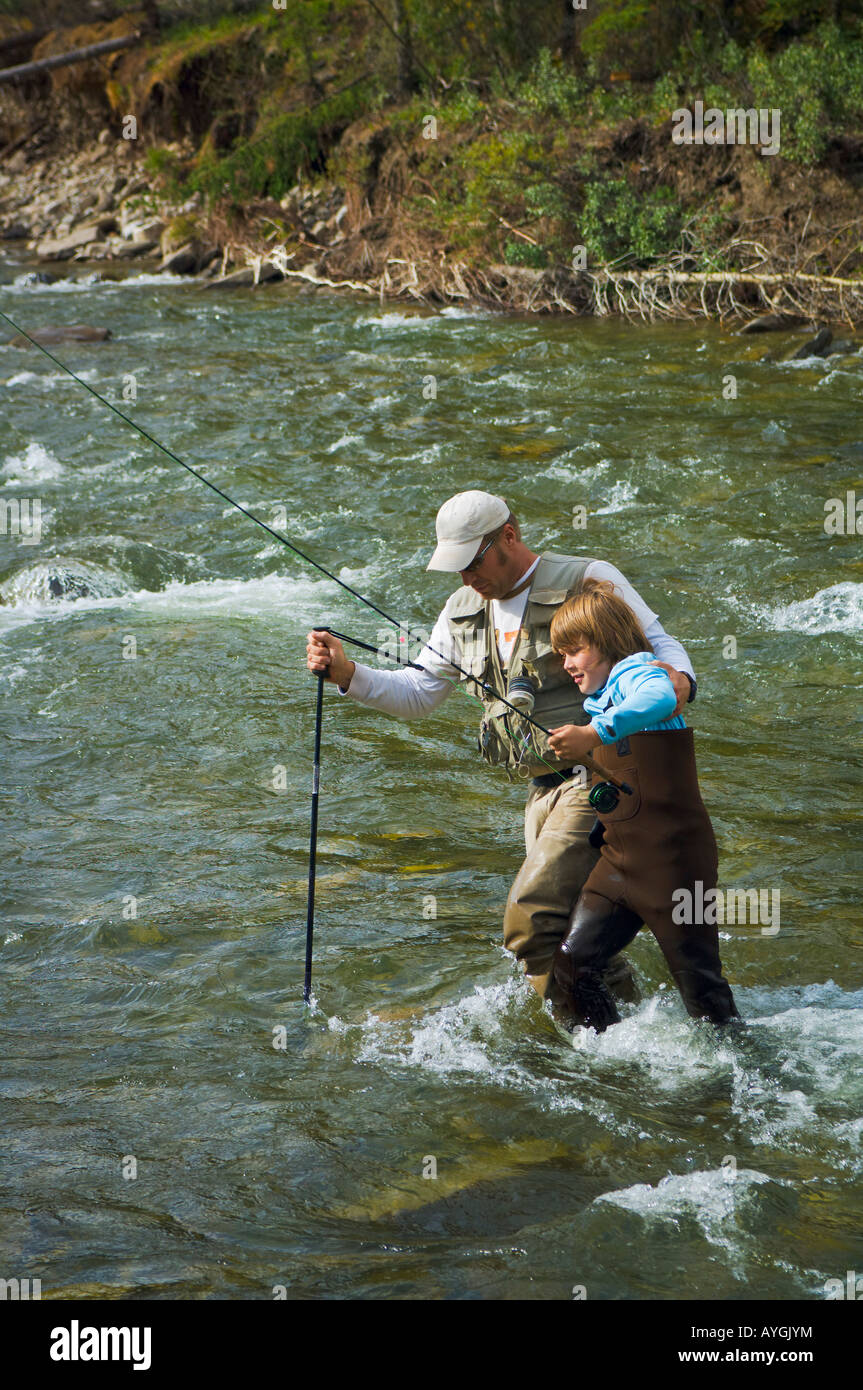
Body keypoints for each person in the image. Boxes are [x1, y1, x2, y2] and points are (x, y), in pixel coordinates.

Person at [305, 490, 697, 1027]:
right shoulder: (461, 610)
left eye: (474, 562)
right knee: (569, 935)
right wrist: (349, 675)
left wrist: (679, 685)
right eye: (456, 567)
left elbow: (663, 649)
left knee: (530, 923)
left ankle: (588, 1049)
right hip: (540, 794)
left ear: (508, 537)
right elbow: (419, 693)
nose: (467, 578)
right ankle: (632, 1037)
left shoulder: (587, 578)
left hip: (598, 778)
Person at [546, 579, 740, 1031]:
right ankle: (611, 1059)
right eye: (562, 654)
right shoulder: (605, 699)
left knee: (706, 999)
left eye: (575, 650)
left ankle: (743, 1086)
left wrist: (593, 736)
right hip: (619, 865)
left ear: (609, 642)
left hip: (676, 867)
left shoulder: (638, 672)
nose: (568, 664)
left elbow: (660, 697)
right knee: (573, 964)